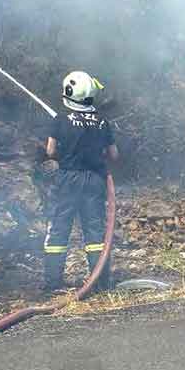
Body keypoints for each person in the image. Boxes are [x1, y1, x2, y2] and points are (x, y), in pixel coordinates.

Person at [43, 70, 118, 295]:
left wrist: (67, 153)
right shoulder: (102, 122)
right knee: (95, 231)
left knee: (59, 228)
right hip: (95, 180)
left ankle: (53, 283)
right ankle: (100, 283)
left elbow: (50, 151)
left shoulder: (61, 120)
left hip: (68, 179)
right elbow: (114, 155)